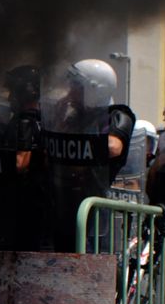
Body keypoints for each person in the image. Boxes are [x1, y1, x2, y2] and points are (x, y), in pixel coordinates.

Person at [41, 59, 135, 251]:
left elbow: (114, 146)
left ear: (95, 90)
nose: (70, 92)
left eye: (76, 87)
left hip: (94, 215)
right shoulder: (73, 117)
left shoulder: (117, 115)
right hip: (62, 208)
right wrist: (59, 119)